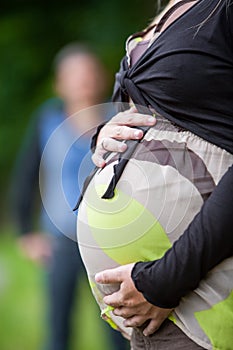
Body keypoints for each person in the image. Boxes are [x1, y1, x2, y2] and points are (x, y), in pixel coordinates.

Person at [75, 1, 233, 349]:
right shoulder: (171, 9)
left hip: (198, 289)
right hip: (151, 306)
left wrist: (164, 281)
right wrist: (104, 134)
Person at [12, 43, 129, 350]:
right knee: (58, 325)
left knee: (120, 327)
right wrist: (26, 232)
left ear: (103, 78)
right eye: (74, 74)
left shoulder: (118, 117)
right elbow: (26, 175)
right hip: (61, 240)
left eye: (90, 72)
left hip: (110, 240)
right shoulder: (47, 120)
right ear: (59, 83)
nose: (83, 80)